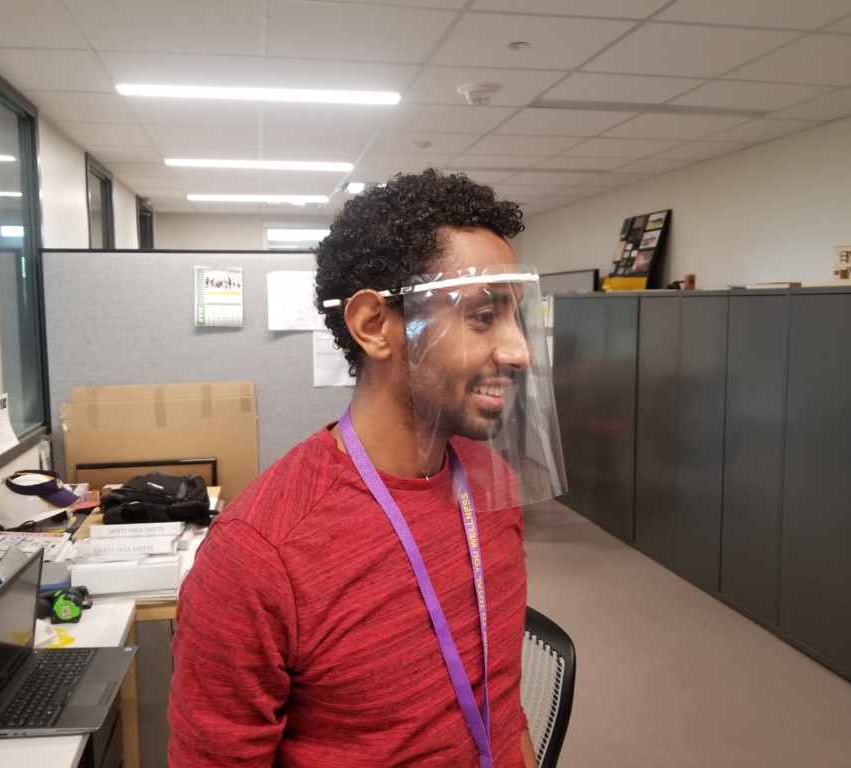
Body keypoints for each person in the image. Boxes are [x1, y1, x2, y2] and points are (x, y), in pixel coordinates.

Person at [168, 168, 564, 767]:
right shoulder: (260, 555)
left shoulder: (489, 481)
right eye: (483, 317)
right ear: (376, 326)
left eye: (515, 317)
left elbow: (500, 701)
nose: (518, 351)